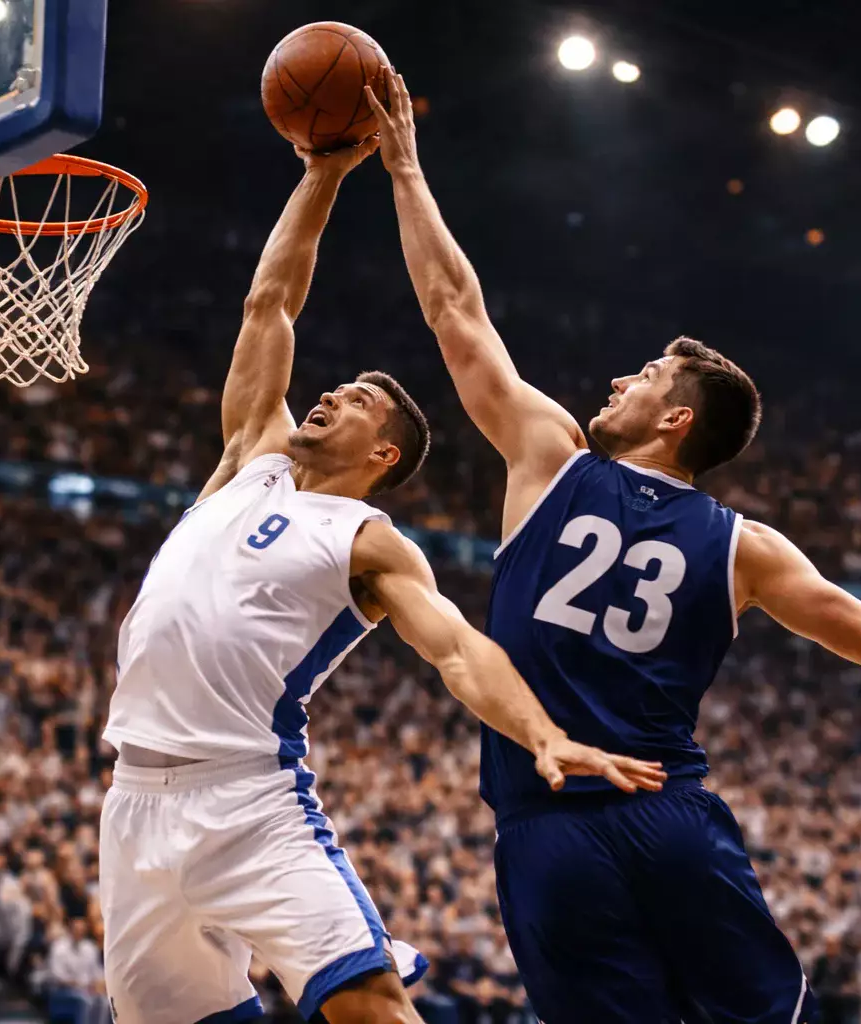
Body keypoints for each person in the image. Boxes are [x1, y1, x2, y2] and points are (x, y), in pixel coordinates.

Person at [364, 64, 861, 1024]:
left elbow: (455, 313)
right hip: (669, 819)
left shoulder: (549, 459)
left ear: (675, 419)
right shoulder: (745, 548)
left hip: (549, 825)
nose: (618, 382)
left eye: (642, 377)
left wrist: (406, 171)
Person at [98, 137, 662, 1024]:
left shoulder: (369, 539)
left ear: (383, 453)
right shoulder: (250, 458)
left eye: (358, 399)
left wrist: (543, 737)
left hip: (248, 797)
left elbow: (456, 649)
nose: (329, 394)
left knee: (366, 1004)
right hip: (130, 803)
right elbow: (268, 304)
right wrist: (322, 175)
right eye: (338, 387)